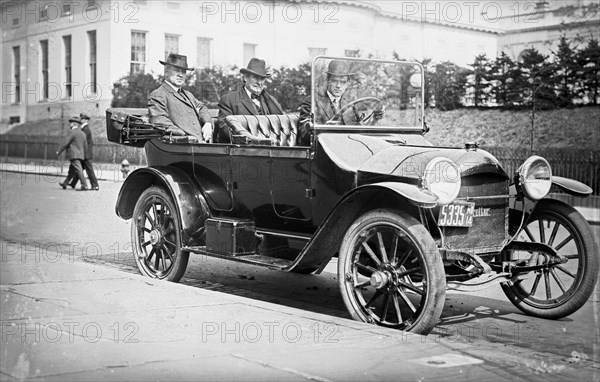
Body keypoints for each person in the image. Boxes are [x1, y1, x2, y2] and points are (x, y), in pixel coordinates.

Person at [298, 59, 384, 145]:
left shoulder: (349, 103)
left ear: (347, 83)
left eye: (342, 82)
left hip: (344, 149)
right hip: (322, 150)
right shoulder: (312, 101)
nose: (338, 86)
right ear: (328, 81)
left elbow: (358, 131)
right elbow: (304, 133)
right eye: (335, 81)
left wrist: (373, 120)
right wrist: (325, 129)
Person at [148, 53, 213, 142]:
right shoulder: (159, 94)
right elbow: (159, 121)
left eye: (183, 71)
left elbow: (202, 108)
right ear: (166, 72)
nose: (180, 75)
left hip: (199, 145)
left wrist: (208, 123)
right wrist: (184, 137)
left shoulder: (188, 95)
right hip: (180, 146)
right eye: (176, 71)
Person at [216, 58, 284, 142]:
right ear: (245, 78)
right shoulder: (229, 100)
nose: (259, 82)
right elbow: (225, 129)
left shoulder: (271, 101)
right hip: (243, 149)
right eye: (255, 77)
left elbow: (282, 124)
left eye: (262, 79)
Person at [67, 113, 99, 190]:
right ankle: (73, 183)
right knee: (79, 169)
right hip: (85, 153)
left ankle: (95, 185)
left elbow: (83, 142)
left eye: (81, 119)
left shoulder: (85, 129)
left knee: (89, 170)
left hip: (86, 154)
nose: (80, 120)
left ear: (85, 120)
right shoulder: (84, 128)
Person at [57, 117, 89, 191]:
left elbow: (66, 142)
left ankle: (84, 185)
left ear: (74, 123)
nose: (70, 124)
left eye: (71, 122)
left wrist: (59, 151)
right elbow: (85, 146)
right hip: (81, 155)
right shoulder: (83, 133)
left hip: (73, 154)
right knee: (71, 170)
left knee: (78, 170)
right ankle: (65, 183)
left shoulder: (72, 132)